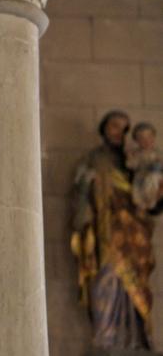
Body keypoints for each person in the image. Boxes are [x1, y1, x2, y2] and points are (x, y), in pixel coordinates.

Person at [71, 110, 163, 351]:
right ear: (104, 128)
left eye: (124, 128)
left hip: (134, 234)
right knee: (107, 276)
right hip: (107, 231)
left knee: (136, 284)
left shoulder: (133, 160)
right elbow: (80, 197)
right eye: (114, 126)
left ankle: (135, 339)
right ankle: (106, 337)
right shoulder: (94, 160)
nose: (119, 132)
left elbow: (148, 199)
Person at [127, 122, 163, 212]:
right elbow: (131, 165)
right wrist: (130, 157)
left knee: (153, 181)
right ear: (137, 141)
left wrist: (159, 162)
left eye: (150, 137)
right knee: (138, 193)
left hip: (154, 176)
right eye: (142, 139)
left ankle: (152, 201)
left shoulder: (157, 152)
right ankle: (142, 205)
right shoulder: (137, 153)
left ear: (154, 138)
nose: (147, 141)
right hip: (141, 176)